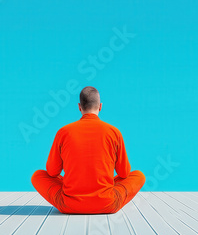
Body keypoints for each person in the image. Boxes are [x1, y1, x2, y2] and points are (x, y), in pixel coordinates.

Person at [31, 86, 145, 214]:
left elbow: (52, 172)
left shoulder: (64, 132)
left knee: (37, 175)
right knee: (138, 175)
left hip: (69, 205)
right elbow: (124, 173)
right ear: (100, 106)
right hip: (107, 204)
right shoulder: (114, 132)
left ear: (79, 107)